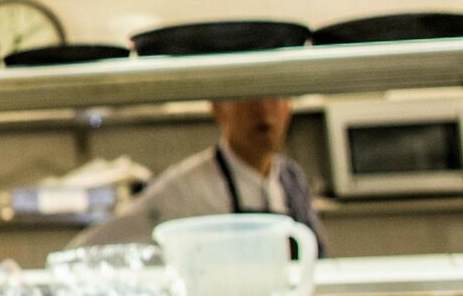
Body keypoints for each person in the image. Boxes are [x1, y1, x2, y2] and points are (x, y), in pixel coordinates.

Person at [72, 97, 328, 251]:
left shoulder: (291, 179)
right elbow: (91, 247)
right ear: (217, 109)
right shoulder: (184, 189)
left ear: (289, 107)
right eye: (247, 97)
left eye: (275, 97)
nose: (263, 111)